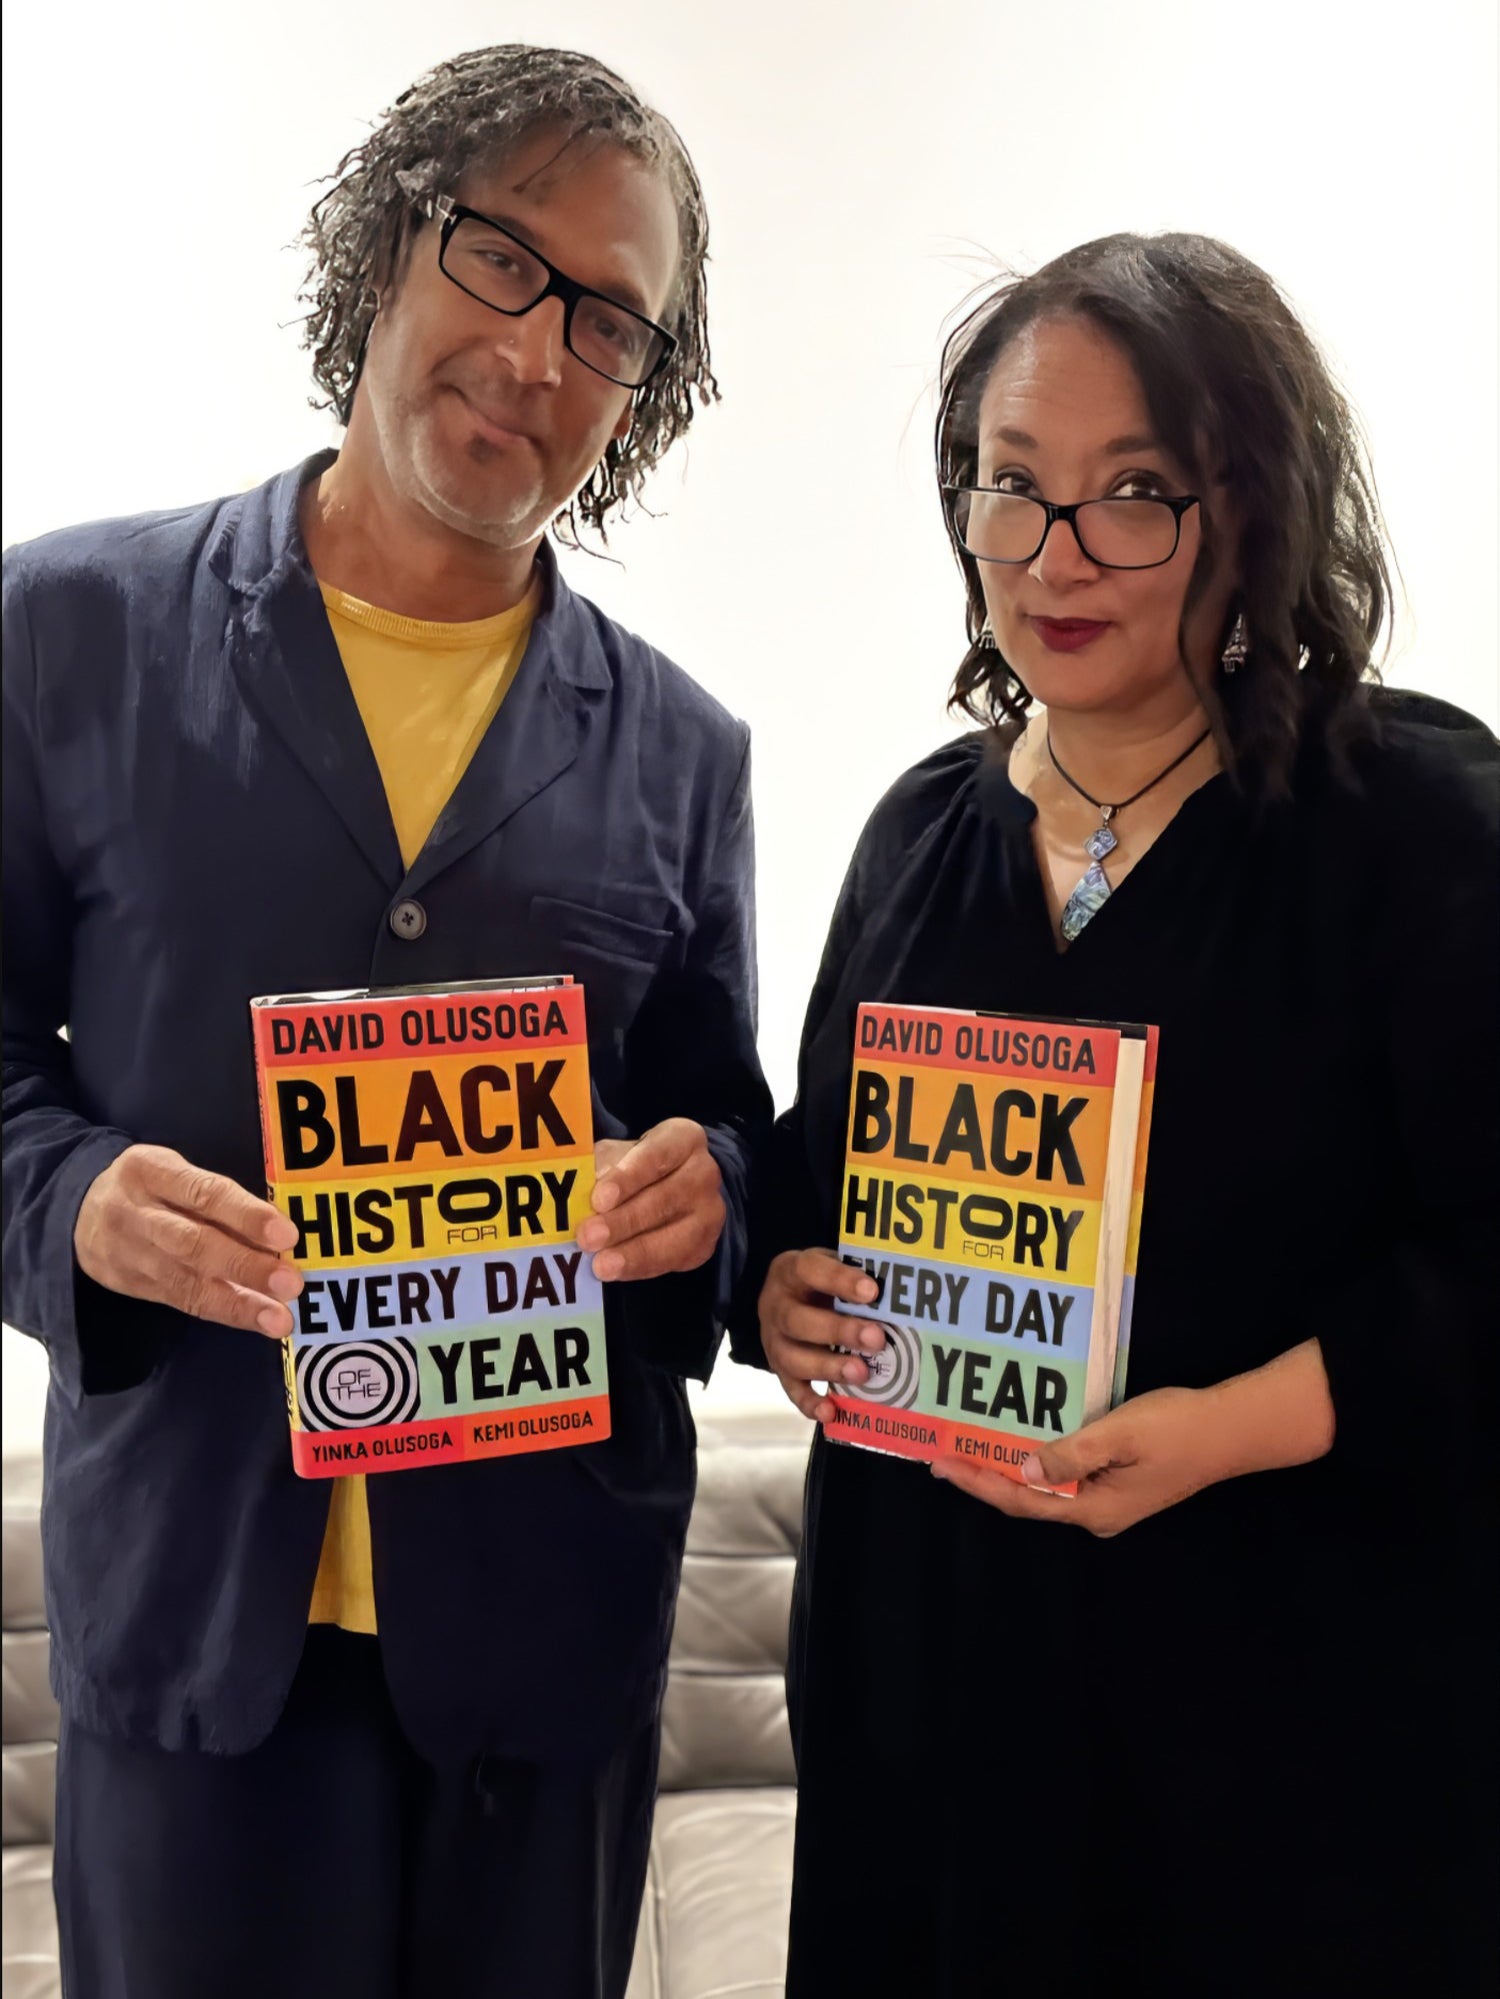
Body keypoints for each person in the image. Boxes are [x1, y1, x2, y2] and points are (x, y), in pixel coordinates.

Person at [2, 45, 771, 1999]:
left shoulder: (682, 750)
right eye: (503, 261)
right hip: (197, 1621)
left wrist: (710, 1194)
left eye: (610, 321)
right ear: (384, 248)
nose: (539, 353)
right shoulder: (64, 633)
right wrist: (77, 1201)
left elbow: (723, 1133)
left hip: (539, 1641)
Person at [739, 232, 1498, 1996]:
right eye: (1014, 490)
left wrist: (1225, 1426)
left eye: (1132, 493)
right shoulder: (919, 833)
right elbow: (821, 1167)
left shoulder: (1413, 821)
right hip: (927, 1708)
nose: (1057, 557)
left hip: (1282, 1737)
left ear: (1248, 508)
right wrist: (777, 1280)